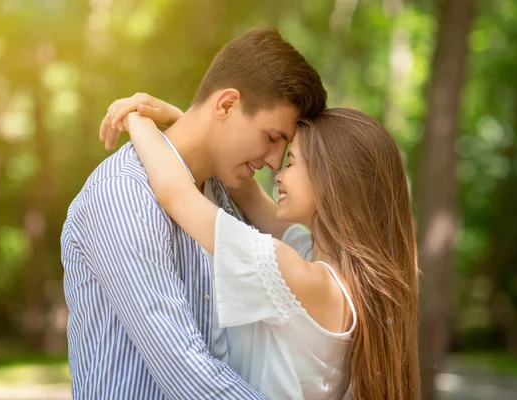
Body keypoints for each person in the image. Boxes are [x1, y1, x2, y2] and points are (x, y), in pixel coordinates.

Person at [60, 27, 326, 399]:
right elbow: (184, 369)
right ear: (227, 105)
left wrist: (178, 119)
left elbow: (304, 257)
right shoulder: (123, 193)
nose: (273, 162)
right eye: (271, 138)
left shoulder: (221, 193)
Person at [102, 106, 421, 399]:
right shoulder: (325, 270)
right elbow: (247, 190)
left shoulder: (301, 276)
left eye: (292, 162)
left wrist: (135, 118)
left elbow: (174, 194)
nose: (278, 174)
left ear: (331, 179)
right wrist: (185, 121)